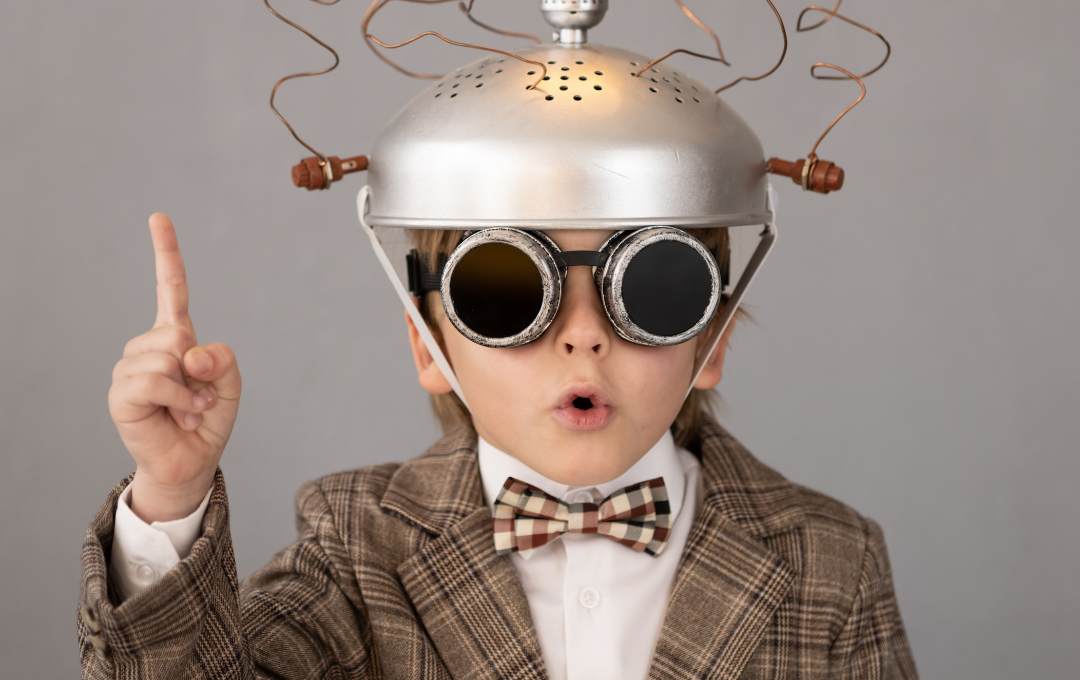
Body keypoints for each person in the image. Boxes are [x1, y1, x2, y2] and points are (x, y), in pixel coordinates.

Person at [78, 202, 917, 678]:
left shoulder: (832, 562)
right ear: (429, 347)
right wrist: (172, 497)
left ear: (714, 339)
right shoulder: (356, 547)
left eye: (653, 287)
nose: (583, 335)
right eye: (510, 289)